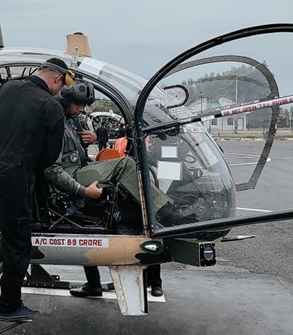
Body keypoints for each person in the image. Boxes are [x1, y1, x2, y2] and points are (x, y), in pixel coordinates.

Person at [44, 82, 194, 298]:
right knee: (126, 164)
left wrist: (92, 139)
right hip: (73, 177)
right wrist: (81, 190)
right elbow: (53, 168)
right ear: (67, 101)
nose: (81, 109)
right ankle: (165, 210)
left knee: (125, 173)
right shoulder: (56, 124)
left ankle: (105, 283)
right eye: (78, 105)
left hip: (80, 169)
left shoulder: (70, 121)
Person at [0, 58, 71, 321]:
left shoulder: (9, 88)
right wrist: (28, 167)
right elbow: (49, 157)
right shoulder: (51, 106)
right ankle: (9, 305)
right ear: (58, 79)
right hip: (11, 174)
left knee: (8, 226)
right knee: (18, 240)